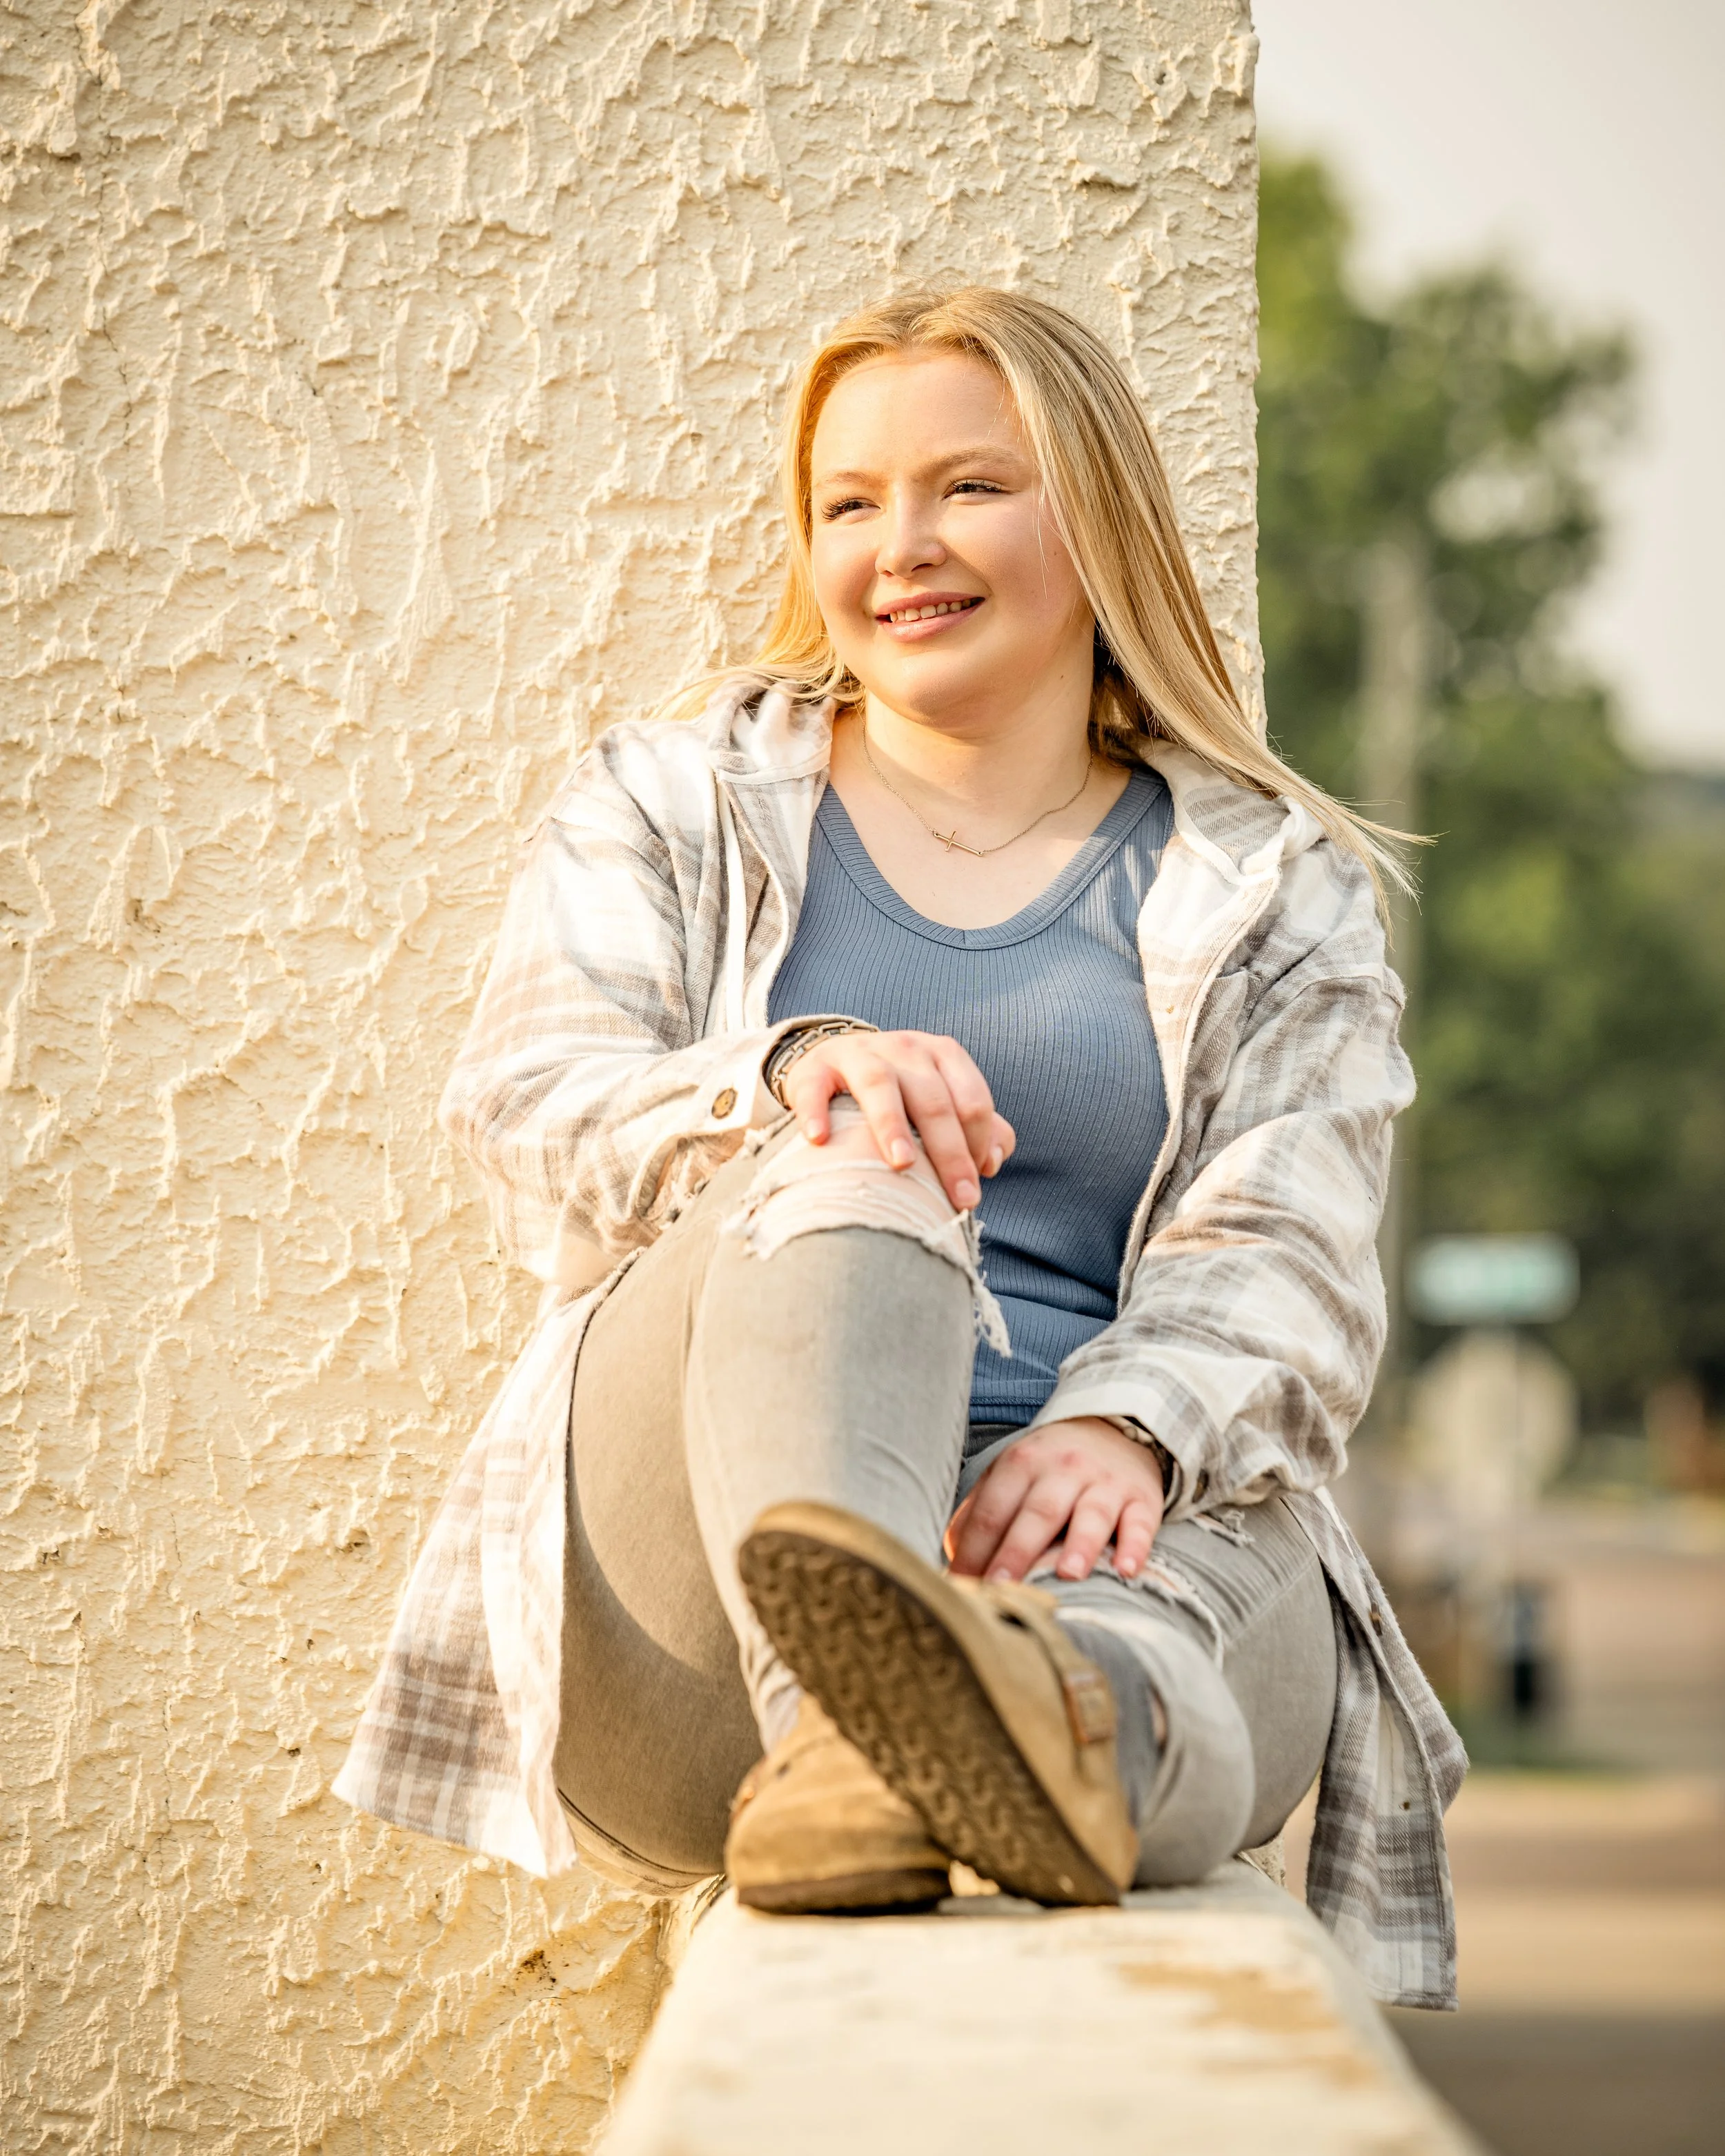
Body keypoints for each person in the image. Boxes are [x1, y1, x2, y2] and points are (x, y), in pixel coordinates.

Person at [335, 287, 1466, 2010]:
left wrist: (1126, 1422)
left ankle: (1040, 1724)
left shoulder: (1273, 887)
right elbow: (526, 1104)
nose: (900, 546)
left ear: (1093, 510)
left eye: (967, 486)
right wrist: (791, 1080)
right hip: (705, 1614)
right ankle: (851, 1727)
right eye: (849, 502)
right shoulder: (671, 804)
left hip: (1120, 1549)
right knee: (860, 1154)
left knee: (1129, 1669)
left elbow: (1291, 1244)